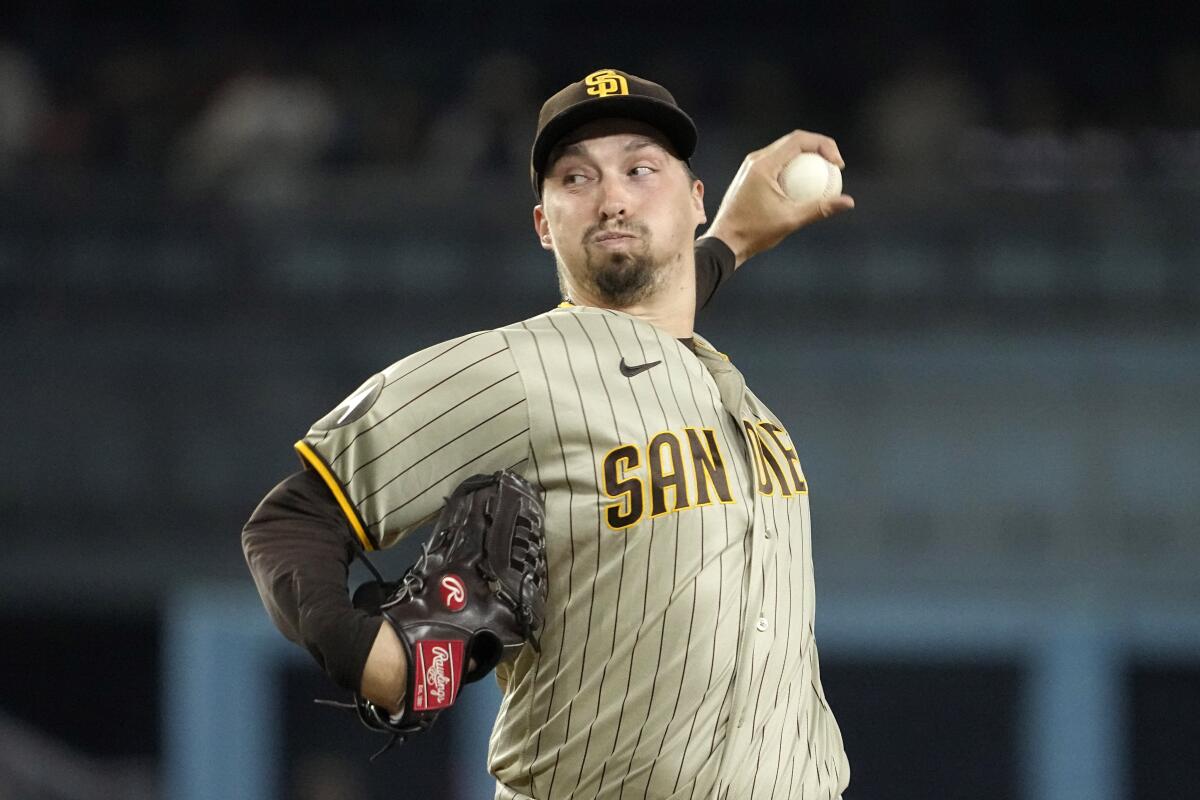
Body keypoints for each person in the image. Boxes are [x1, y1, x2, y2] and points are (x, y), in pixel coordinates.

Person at [243, 67, 854, 800]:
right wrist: (373, 657)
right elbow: (290, 521)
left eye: (640, 169)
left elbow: (658, 322)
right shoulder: (513, 369)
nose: (613, 197)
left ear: (694, 200)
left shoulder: (723, 386)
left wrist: (730, 242)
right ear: (543, 224)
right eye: (576, 179)